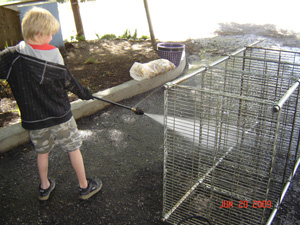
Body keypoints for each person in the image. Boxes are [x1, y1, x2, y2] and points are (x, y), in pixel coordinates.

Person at [0, 7, 102, 201]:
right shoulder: (53, 54)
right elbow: (68, 81)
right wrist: (85, 93)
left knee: (42, 153)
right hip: (59, 116)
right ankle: (84, 186)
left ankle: (44, 187)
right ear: (40, 34)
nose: (52, 36)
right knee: (73, 149)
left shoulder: (10, 56)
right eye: (50, 33)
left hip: (34, 120)